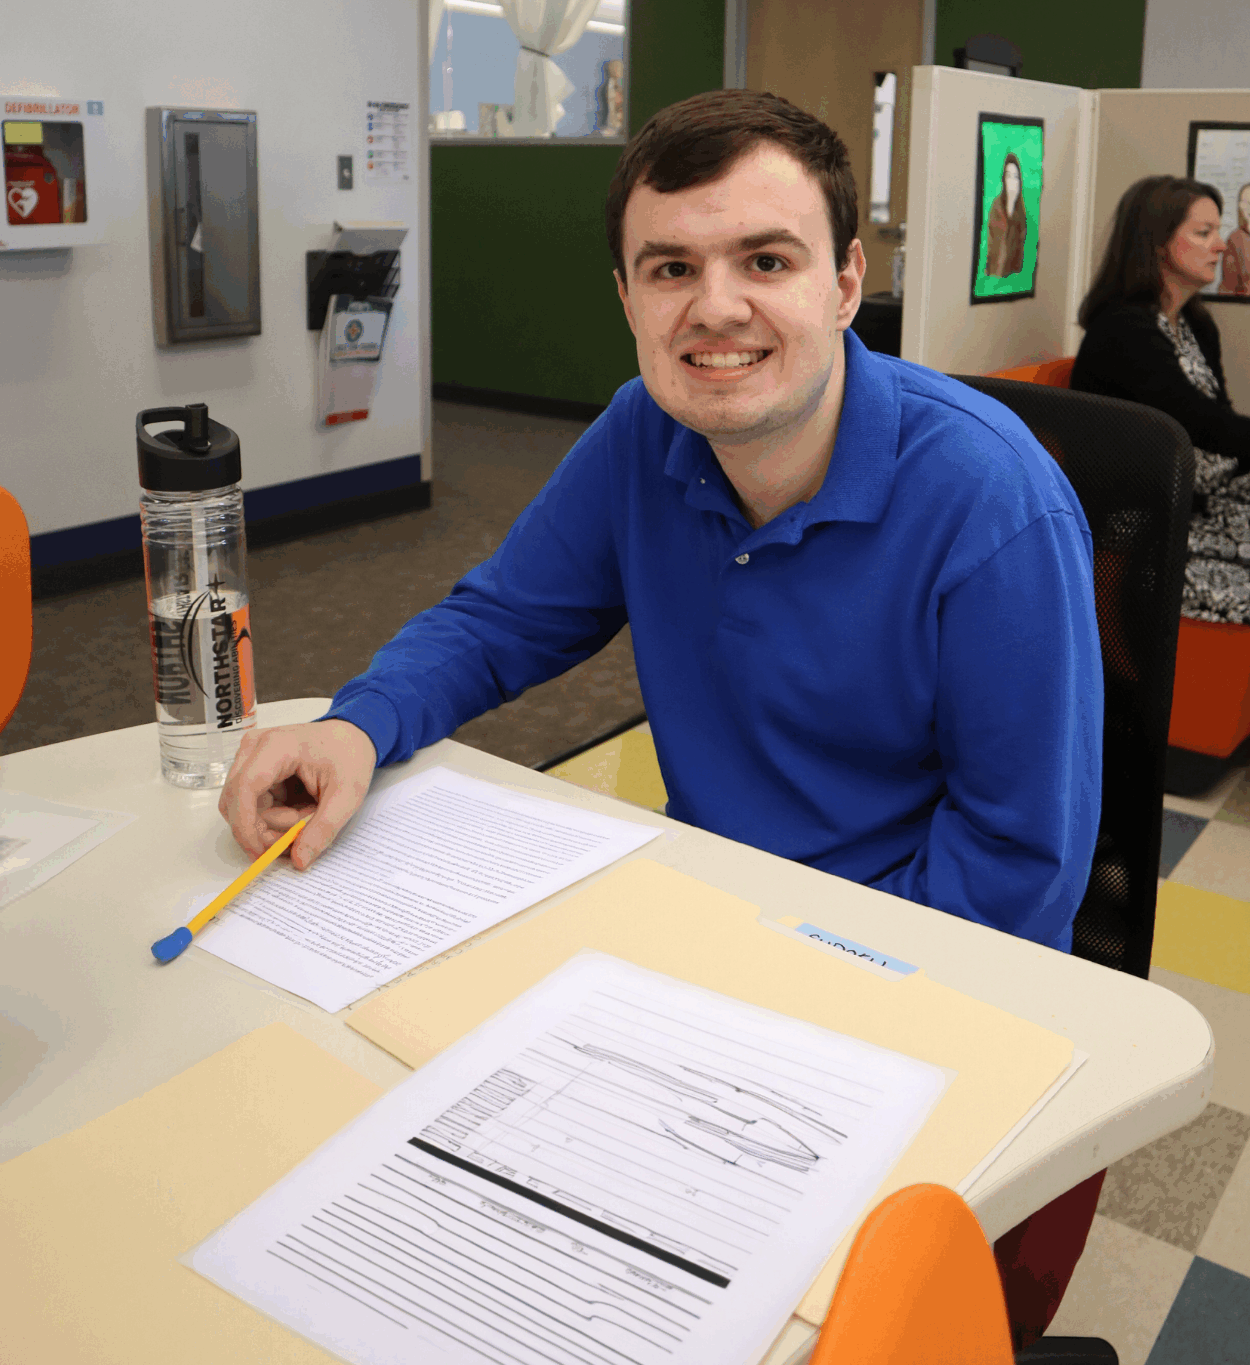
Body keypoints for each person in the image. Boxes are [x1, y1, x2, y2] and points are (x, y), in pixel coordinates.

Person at [221, 91, 1104, 1345]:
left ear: (848, 282)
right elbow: (503, 621)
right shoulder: (649, 430)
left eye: (767, 260)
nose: (718, 307)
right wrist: (358, 727)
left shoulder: (990, 501)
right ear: (629, 297)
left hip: (907, 990)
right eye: (671, 268)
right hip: (709, 933)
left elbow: (1018, 867)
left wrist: (791, 1013)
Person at [1071, 175, 1250, 793]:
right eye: (1203, 233)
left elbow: (1225, 434)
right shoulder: (1122, 333)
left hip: (1210, 500)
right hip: (1151, 519)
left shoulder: (1195, 325)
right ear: (1156, 245)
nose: (1219, 245)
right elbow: (1210, 427)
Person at [985, 152, 1027, 277]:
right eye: (1009, 176)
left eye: (1016, 177)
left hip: (1012, 276)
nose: (1012, 182)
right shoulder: (997, 208)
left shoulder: (1020, 213)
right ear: (1003, 179)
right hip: (994, 275)